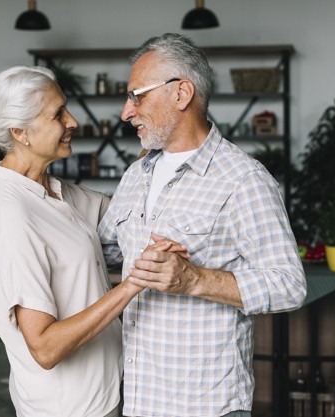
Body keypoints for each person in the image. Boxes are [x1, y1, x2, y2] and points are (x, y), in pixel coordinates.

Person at [98, 33, 308, 417]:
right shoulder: (135, 175)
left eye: (136, 96)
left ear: (181, 94)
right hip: (139, 400)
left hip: (206, 404)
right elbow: (107, 252)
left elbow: (289, 284)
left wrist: (193, 278)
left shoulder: (243, 179)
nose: (126, 112)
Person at [0, 66, 185, 417]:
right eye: (58, 114)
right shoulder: (10, 213)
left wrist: (153, 140)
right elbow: (44, 346)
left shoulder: (54, 191)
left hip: (107, 392)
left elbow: (125, 209)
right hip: (69, 407)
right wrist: (132, 284)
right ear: (20, 132)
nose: (72, 121)